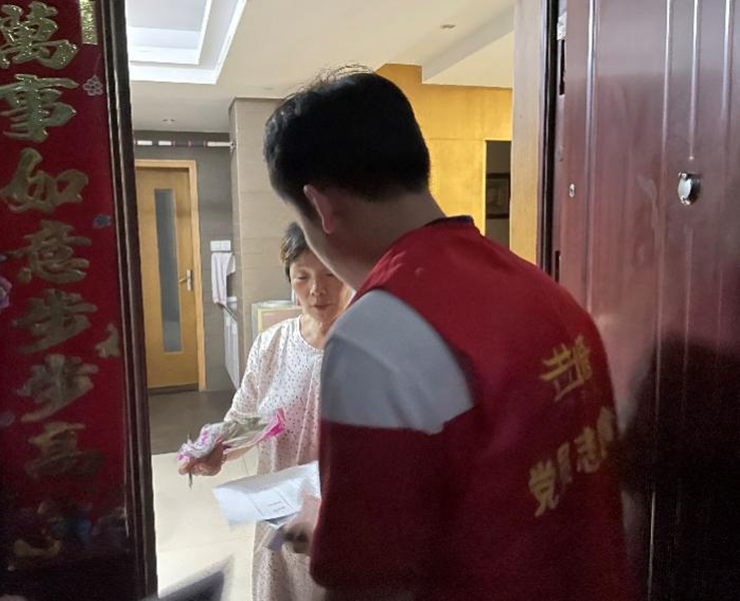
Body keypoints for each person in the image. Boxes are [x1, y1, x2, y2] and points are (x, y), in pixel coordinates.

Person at [263, 68, 637, 600]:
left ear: (321, 207)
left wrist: (332, 534)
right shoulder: (544, 291)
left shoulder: (374, 335)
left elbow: (367, 583)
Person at [180, 223, 351, 601]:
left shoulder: (368, 347)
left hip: (340, 526)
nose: (317, 289)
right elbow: (245, 420)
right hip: (278, 523)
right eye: (302, 276)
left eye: (329, 273)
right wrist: (217, 449)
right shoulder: (271, 344)